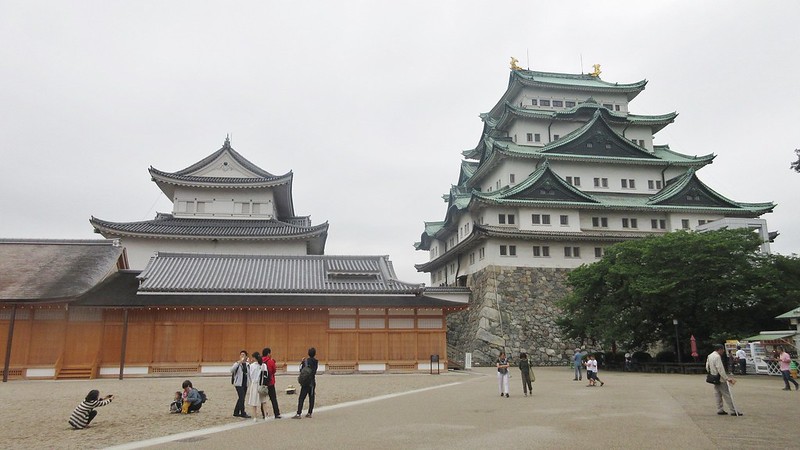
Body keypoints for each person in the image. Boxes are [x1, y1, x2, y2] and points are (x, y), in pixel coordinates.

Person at [705, 344, 741, 416]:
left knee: (717, 394)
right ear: (720, 349)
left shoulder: (710, 355)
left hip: (714, 377)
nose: (723, 351)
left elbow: (707, 366)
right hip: (720, 378)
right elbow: (720, 369)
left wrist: (712, 373)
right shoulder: (717, 357)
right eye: (722, 349)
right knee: (726, 394)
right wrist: (727, 378)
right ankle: (733, 410)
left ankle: (720, 409)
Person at [293, 347, 318, 418]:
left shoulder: (305, 361)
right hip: (312, 382)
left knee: (301, 398)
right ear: (315, 354)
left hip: (305, 382)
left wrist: (302, 362)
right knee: (311, 397)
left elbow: (301, 370)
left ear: (308, 353)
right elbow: (314, 371)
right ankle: (309, 413)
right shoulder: (316, 362)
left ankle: (298, 413)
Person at [230, 349, 251, 418]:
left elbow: (249, 373)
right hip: (238, 383)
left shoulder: (248, 364)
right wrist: (239, 362)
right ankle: (243, 412)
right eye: (241, 355)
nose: (242, 356)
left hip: (245, 383)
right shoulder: (237, 364)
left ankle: (236, 412)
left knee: (241, 398)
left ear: (246, 356)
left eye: (243, 355)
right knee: (242, 398)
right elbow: (231, 370)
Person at [246, 352, 266, 421]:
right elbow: (266, 374)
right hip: (262, 384)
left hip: (254, 383)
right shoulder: (263, 365)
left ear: (254, 358)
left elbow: (250, 375)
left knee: (254, 401)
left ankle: (255, 417)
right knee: (263, 400)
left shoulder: (252, 366)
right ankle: (265, 416)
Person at [262, 347, 282, 418]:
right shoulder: (270, 361)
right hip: (270, 382)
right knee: (273, 398)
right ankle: (276, 413)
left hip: (262, 383)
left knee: (263, 399)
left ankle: (264, 414)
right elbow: (274, 370)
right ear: (268, 354)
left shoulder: (260, 361)